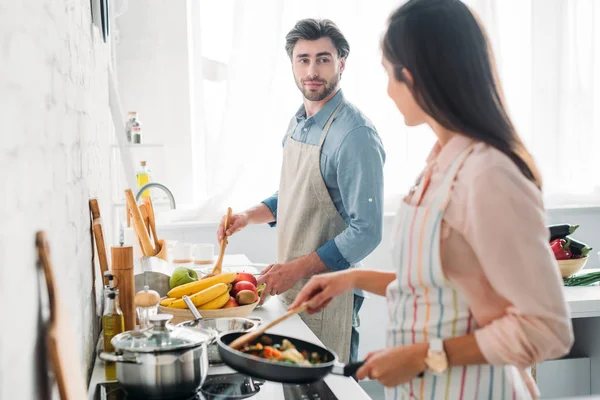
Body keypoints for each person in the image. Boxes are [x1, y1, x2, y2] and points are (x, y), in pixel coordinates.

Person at [289, 0, 574, 398]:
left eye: (389, 75)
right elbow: (439, 286)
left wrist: (425, 356)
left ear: (415, 76)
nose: (388, 91)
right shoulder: (441, 163)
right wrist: (348, 279)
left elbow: (548, 330)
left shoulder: (489, 173)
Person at [216, 18, 386, 363]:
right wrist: (248, 216)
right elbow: (296, 195)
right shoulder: (298, 122)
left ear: (342, 63)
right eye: (303, 59)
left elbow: (366, 232)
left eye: (323, 59)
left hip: (329, 298)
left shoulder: (356, 136)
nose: (312, 70)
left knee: (327, 388)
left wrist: (296, 268)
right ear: (292, 64)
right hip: (291, 287)